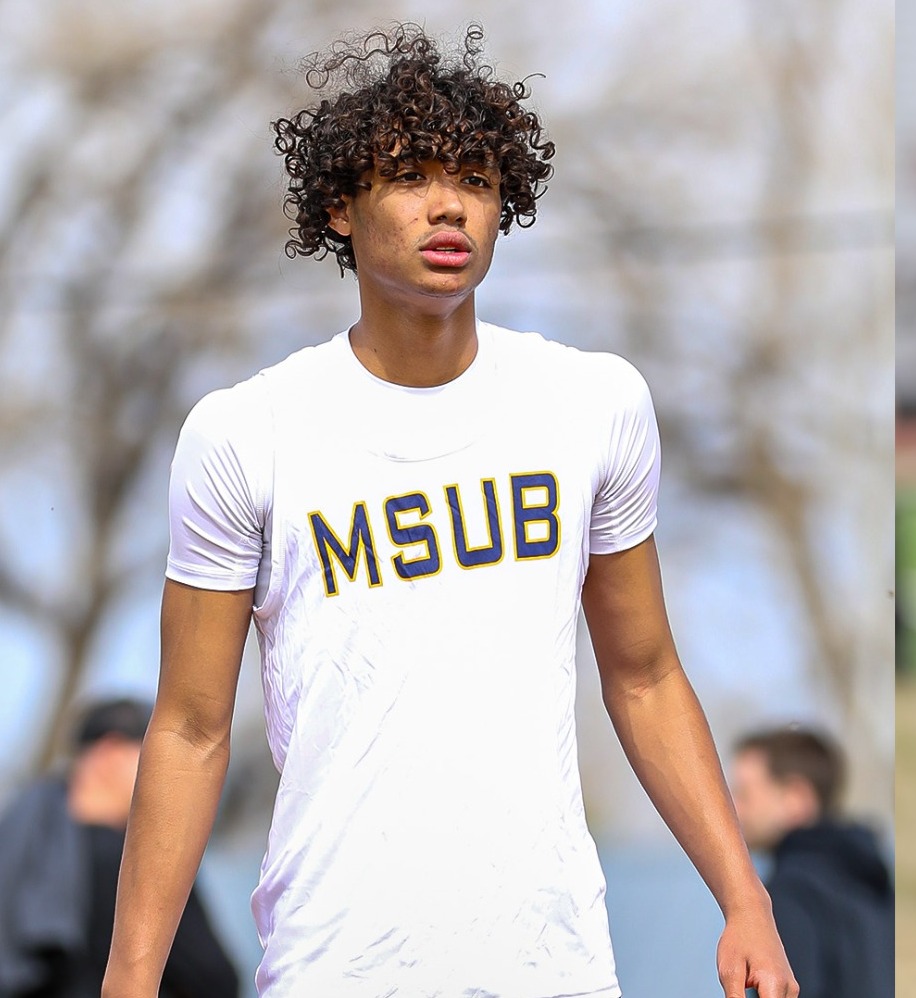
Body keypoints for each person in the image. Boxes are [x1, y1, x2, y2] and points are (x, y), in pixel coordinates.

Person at [102, 25, 795, 998]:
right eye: (410, 176)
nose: (449, 206)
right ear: (339, 208)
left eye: (475, 178)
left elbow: (643, 674)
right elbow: (188, 725)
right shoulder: (245, 433)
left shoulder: (592, 403)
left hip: (550, 960)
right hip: (334, 960)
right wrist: (131, 974)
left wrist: (744, 898)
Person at [0, 699, 238, 998]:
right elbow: (216, 980)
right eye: (160, 751)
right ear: (109, 751)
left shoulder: (26, 843)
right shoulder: (133, 860)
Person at [727, 728, 892, 998]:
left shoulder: (788, 894)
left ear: (796, 797)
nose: (734, 808)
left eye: (744, 794)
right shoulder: (875, 884)